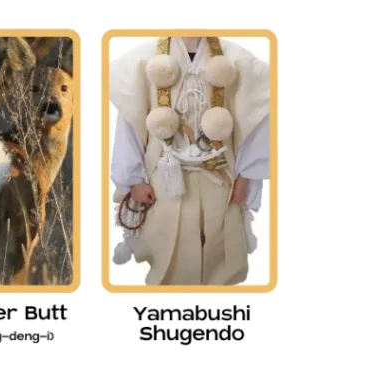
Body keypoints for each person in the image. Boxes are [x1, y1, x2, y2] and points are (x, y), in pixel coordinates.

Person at [109, 37, 270, 285]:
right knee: (168, 253)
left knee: (220, 248)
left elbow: (256, 120)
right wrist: (133, 180)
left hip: (219, 176)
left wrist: (247, 175)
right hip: (165, 178)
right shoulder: (144, 59)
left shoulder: (235, 57)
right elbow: (129, 123)